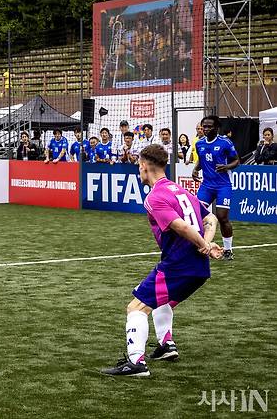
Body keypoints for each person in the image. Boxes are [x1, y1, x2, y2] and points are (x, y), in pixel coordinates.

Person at [101, 144, 222, 377]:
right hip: (198, 268)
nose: (139, 171)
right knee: (159, 301)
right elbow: (211, 219)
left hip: (178, 264)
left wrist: (203, 245)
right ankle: (166, 345)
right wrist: (205, 244)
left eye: (139, 166)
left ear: (145, 166)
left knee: (136, 307)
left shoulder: (155, 197)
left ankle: (136, 363)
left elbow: (181, 226)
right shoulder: (181, 190)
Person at [192, 115, 239, 261]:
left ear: (216, 127)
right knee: (197, 214)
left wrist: (226, 167)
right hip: (206, 185)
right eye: (203, 126)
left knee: (222, 217)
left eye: (208, 126)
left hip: (223, 185)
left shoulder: (225, 142)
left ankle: (228, 250)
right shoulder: (199, 144)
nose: (205, 129)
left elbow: (237, 160)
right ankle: (200, 246)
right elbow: (202, 159)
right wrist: (195, 169)